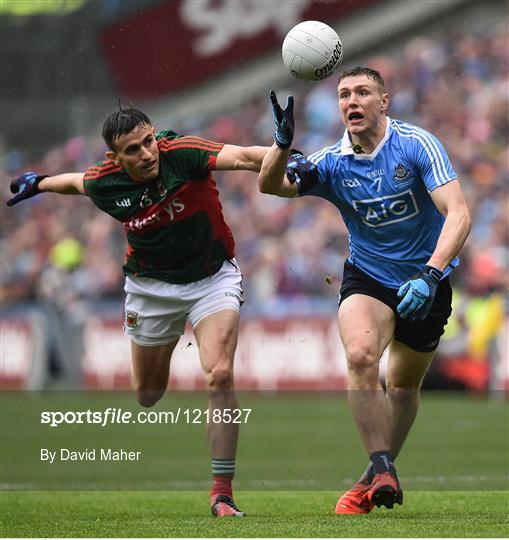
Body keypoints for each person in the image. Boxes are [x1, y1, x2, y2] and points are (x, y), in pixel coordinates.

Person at [7, 107, 269, 517]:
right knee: (148, 394)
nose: (148, 154)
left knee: (219, 374)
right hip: (150, 288)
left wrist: (285, 150)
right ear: (116, 158)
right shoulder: (104, 181)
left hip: (211, 278)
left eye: (148, 141)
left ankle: (222, 493)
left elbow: (246, 157)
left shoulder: (181, 153)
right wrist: (39, 183)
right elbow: (77, 182)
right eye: (134, 149)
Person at [258, 67, 471, 513]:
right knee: (359, 357)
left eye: (362, 92)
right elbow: (271, 185)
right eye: (343, 95)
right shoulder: (330, 161)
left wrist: (431, 275)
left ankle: (369, 477)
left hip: (426, 283)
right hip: (368, 279)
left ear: (384, 101)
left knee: (403, 388)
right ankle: (382, 466)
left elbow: (459, 213)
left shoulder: (416, 144)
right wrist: (281, 146)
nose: (351, 101)